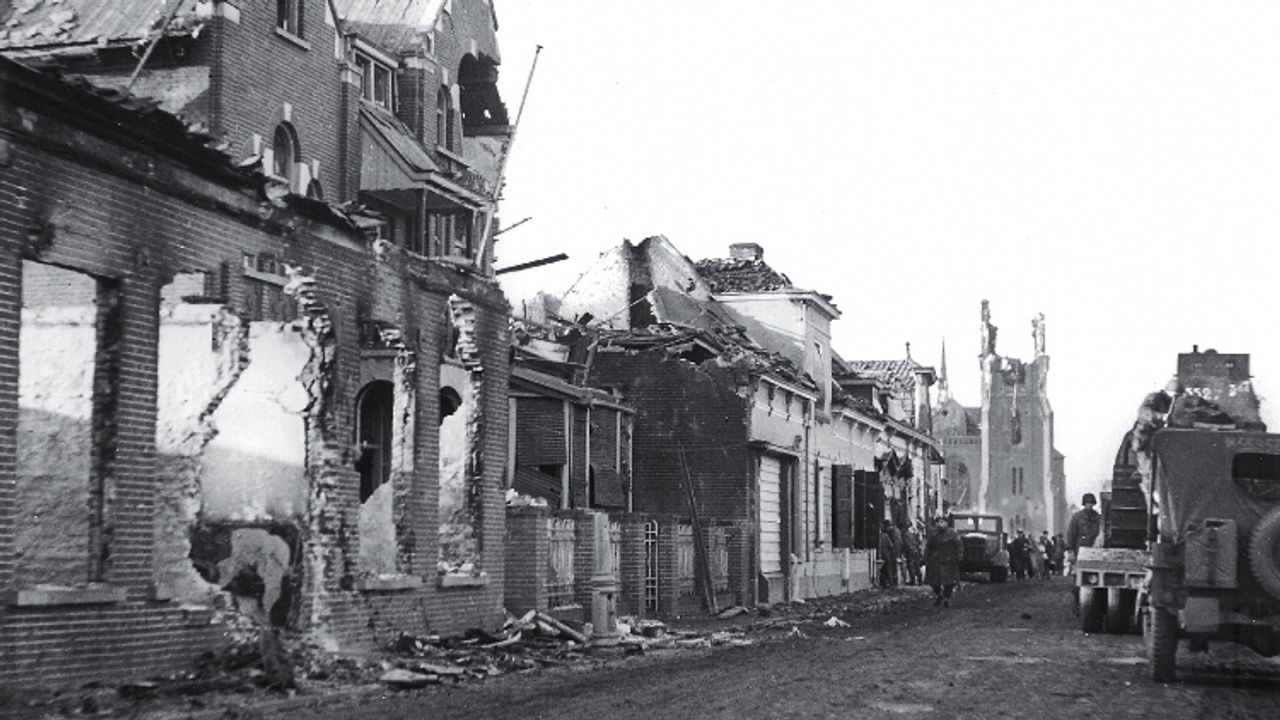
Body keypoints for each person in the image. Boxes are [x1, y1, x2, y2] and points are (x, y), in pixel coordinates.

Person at [1066, 494, 1103, 613]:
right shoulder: (1077, 517)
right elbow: (1071, 534)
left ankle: (1094, 607)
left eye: (1091, 503)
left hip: (1095, 552)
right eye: (1087, 503)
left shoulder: (1099, 518)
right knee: (1078, 581)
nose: (1089, 505)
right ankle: (1077, 605)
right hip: (1080, 553)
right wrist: (1071, 551)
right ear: (1084, 504)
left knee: (1095, 580)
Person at [924, 516, 963, 607]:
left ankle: (946, 598)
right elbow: (928, 547)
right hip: (935, 561)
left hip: (949, 561)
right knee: (934, 582)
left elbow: (959, 545)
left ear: (946, 523)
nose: (940, 524)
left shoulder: (953, 533)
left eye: (942, 522)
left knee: (949, 582)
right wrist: (925, 558)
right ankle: (939, 595)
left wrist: (959, 556)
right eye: (938, 522)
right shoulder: (933, 534)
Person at [878, 520, 899, 588]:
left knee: (885, 568)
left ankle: (884, 582)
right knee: (888, 568)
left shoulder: (878, 536)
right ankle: (890, 582)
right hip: (886, 553)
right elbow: (891, 545)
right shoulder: (885, 535)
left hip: (879, 553)